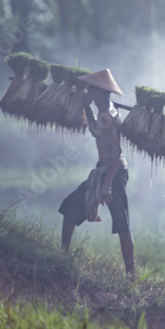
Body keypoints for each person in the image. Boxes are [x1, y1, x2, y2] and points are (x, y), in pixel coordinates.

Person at [58, 69, 136, 279]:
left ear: (100, 92)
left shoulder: (109, 115)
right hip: (105, 169)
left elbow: (115, 152)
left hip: (114, 172)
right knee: (71, 207)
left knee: (122, 222)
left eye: (91, 88)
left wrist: (107, 185)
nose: (87, 90)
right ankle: (63, 257)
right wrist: (85, 105)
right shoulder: (105, 111)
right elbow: (94, 130)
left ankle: (131, 275)